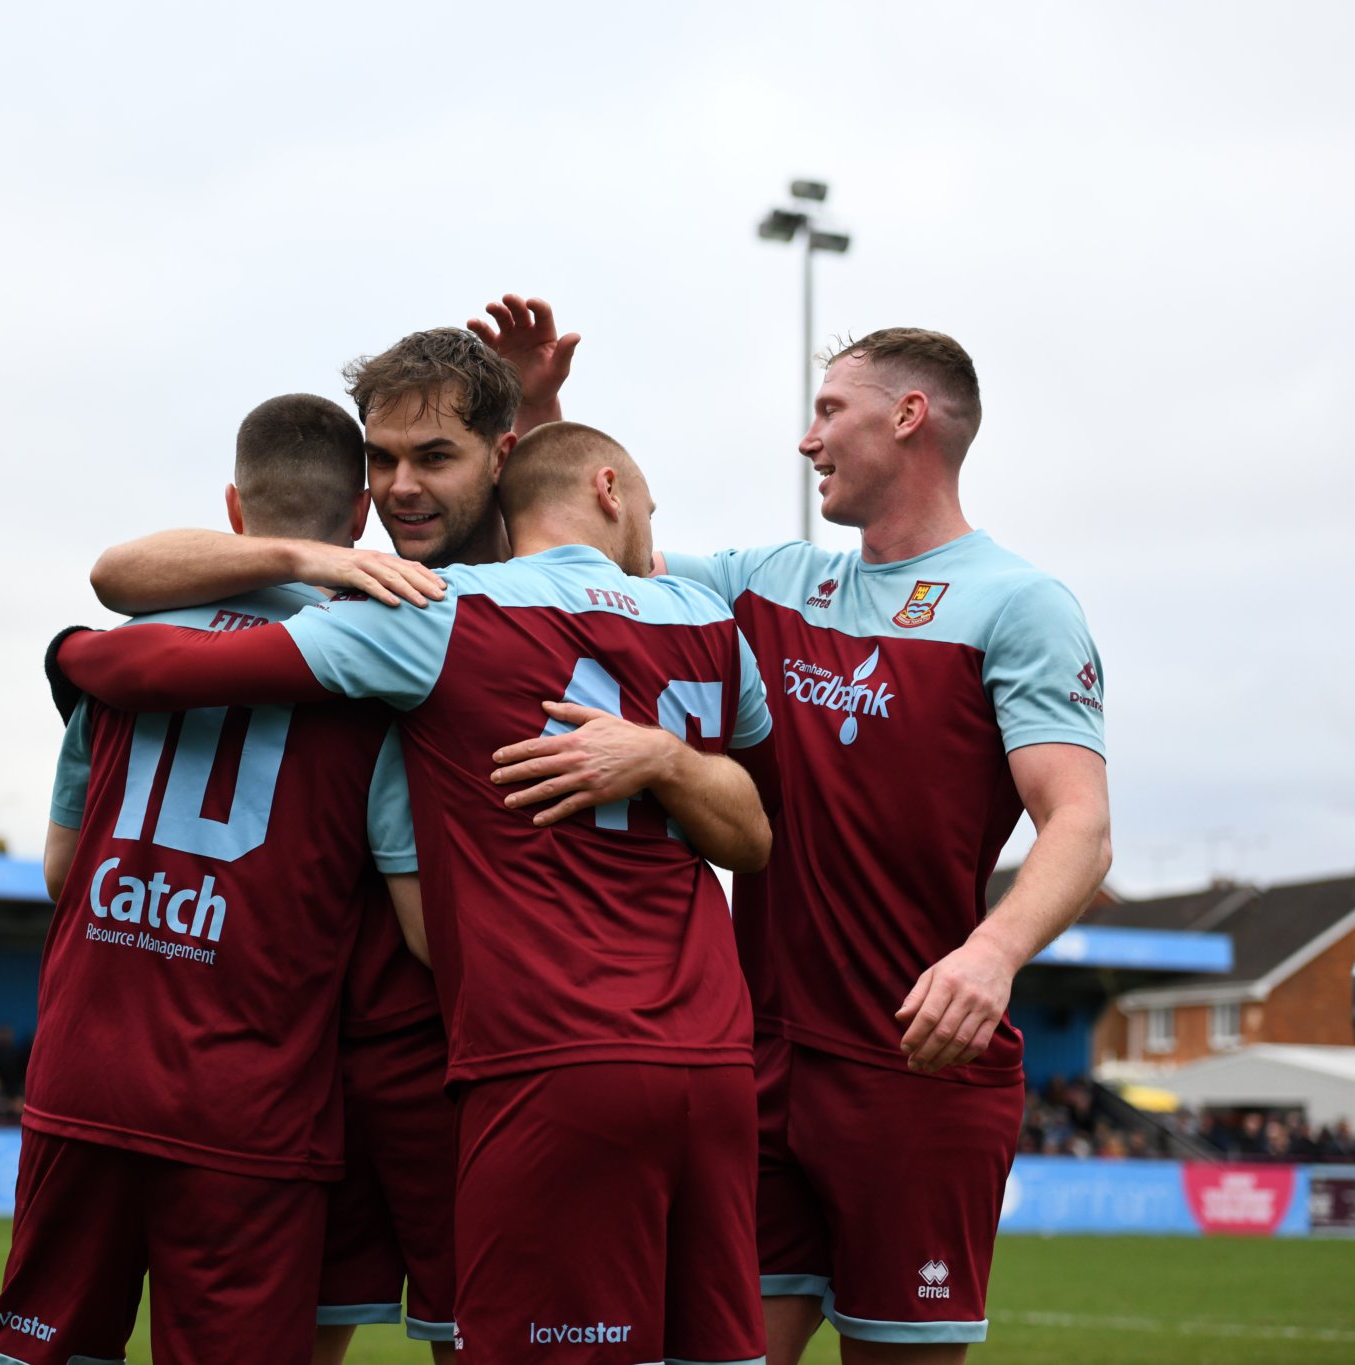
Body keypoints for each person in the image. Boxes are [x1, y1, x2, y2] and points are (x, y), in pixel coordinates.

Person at [54, 419, 775, 1365]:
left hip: (532, 1057)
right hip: (702, 1058)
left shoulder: (446, 611)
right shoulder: (703, 618)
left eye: (430, 457)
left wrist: (75, 658)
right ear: (611, 488)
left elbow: (170, 649)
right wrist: (676, 756)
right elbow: (756, 833)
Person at [513, 327, 1111, 1362]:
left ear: (908, 417)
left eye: (830, 411)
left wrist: (990, 953)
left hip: (917, 1070)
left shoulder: (1018, 605)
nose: (807, 439)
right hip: (757, 1067)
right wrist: (537, 422)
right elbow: (585, 555)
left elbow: (1081, 825)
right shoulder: (769, 582)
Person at [85, 300, 573, 1362]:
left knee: (477, 1335)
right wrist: (314, 564)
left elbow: (579, 517)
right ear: (356, 497)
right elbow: (120, 575)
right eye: (385, 460)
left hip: (462, 1057)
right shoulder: (352, 602)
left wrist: (669, 759)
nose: (404, 486)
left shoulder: (517, 596)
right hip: (306, 1066)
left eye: (434, 456)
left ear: (500, 456)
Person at [0, 394, 419, 1365]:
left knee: (36, 1345)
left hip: (84, 1065)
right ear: (357, 521)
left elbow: (60, 867)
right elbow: (418, 926)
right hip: (246, 1090)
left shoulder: (124, 658)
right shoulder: (374, 674)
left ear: (231, 507)